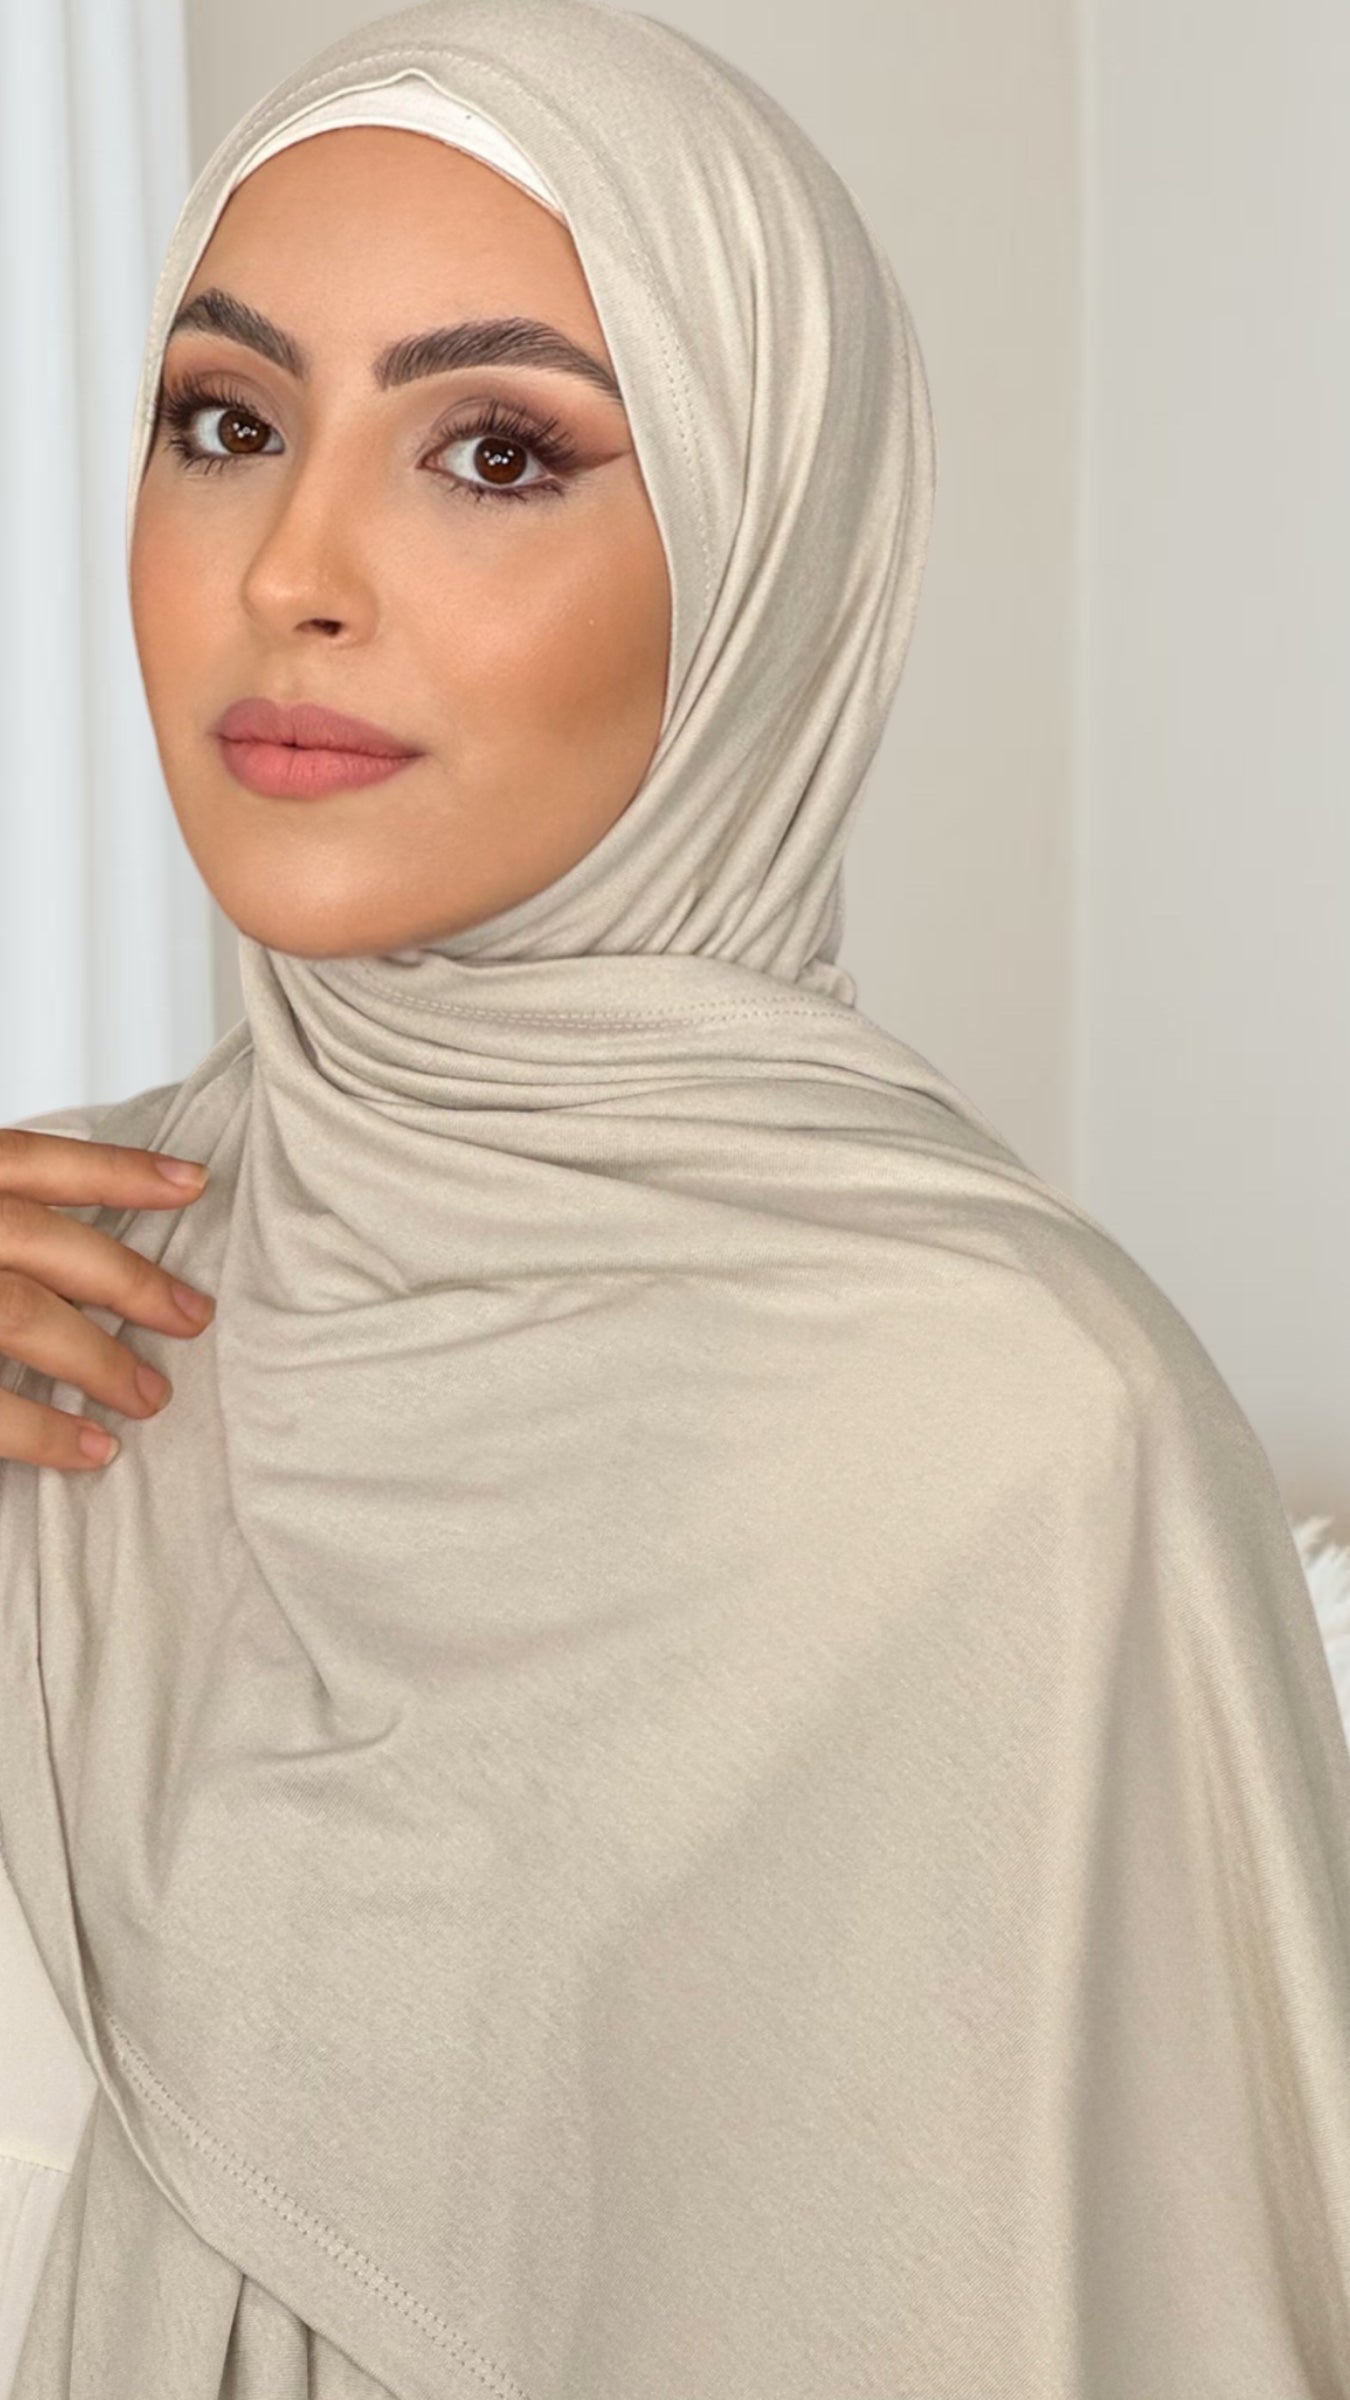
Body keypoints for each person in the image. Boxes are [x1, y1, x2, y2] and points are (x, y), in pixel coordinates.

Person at [3, 2, 1350, 2393]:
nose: (292, 570)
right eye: (227, 423)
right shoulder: (74, 1296)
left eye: (496, 452)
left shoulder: (1021, 1438)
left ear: (762, 565)